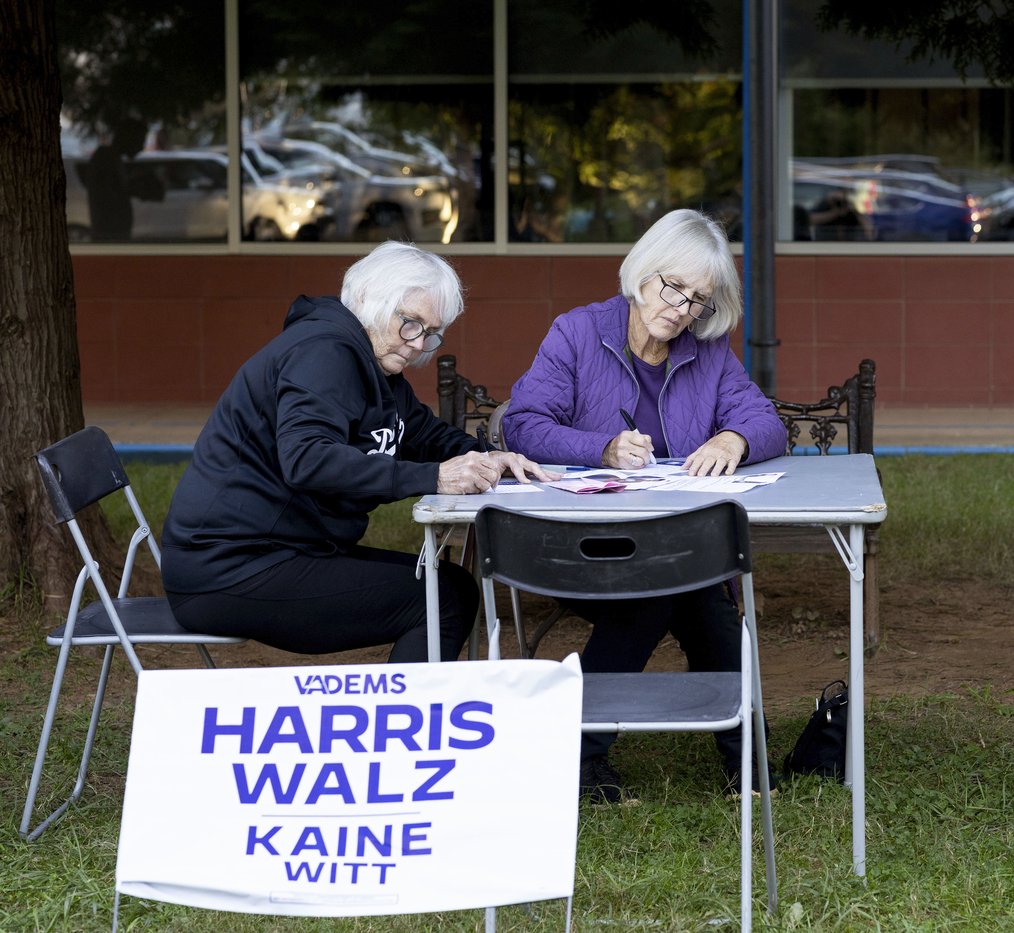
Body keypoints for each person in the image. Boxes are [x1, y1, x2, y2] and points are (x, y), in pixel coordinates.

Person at [502, 208, 788, 801]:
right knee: (675, 589)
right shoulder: (577, 332)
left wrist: (733, 437)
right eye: (672, 287)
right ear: (643, 272)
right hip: (581, 546)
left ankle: (594, 758)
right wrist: (599, 448)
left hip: (673, 545)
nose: (681, 308)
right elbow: (524, 425)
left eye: (698, 300)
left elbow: (764, 420)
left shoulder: (707, 350)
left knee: (689, 590)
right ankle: (737, 763)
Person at [161, 241, 556, 663]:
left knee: (450, 586)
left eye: (431, 332)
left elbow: (421, 433)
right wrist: (435, 478)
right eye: (410, 323)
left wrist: (485, 456)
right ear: (368, 299)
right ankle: (406, 723)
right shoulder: (324, 351)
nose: (419, 343)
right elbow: (308, 460)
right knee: (444, 598)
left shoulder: (375, 364)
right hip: (230, 568)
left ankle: (406, 717)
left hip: (283, 551)